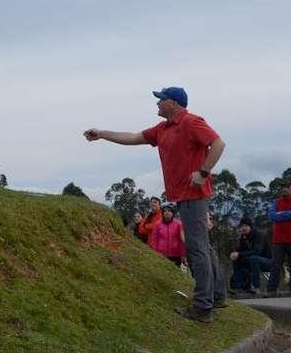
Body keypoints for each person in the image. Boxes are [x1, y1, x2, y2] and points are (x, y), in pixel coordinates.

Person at [84, 85, 226, 322]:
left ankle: (203, 308)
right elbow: (132, 137)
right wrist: (101, 134)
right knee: (202, 247)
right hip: (183, 196)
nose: (157, 104)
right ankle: (217, 296)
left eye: (161, 100)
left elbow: (219, 144)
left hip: (194, 195)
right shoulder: (162, 129)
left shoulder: (191, 122)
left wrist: (203, 172)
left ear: (175, 103)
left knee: (196, 249)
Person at [267, 179, 291, 296]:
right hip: (278, 240)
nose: (284, 189)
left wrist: (281, 214)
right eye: (283, 187)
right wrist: (288, 213)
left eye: (287, 187)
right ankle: (271, 290)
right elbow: (272, 216)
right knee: (275, 266)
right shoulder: (276, 202)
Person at [229, 217, 271, 294]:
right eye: (241, 227)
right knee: (237, 260)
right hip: (252, 260)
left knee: (253, 259)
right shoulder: (243, 237)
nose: (243, 228)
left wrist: (240, 254)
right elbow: (241, 251)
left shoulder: (259, 234)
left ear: (250, 226)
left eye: (245, 226)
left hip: (267, 261)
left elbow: (257, 251)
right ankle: (238, 287)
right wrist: (235, 254)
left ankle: (256, 286)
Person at [205, 212, 227, 308]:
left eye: (210, 220)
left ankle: (217, 297)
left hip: (203, 240)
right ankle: (218, 296)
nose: (210, 223)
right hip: (204, 240)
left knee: (213, 267)